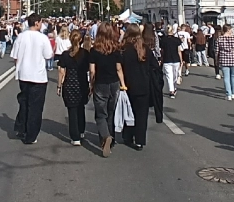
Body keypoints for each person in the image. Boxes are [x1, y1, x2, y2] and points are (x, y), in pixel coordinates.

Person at [12, 14, 53, 145]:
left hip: (23, 75)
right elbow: (48, 55)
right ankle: (31, 135)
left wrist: (18, 68)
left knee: (24, 102)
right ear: (37, 23)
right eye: (41, 22)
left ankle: (21, 128)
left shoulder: (21, 37)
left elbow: (15, 56)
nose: (41, 24)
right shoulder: (42, 38)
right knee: (35, 107)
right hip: (38, 76)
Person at [120, 24, 160, 150]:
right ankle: (139, 140)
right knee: (142, 114)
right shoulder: (144, 49)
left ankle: (128, 135)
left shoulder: (123, 49)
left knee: (128, 112)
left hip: (127, 85)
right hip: (144, 85)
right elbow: (155, 66)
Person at [89, 23, 126, 158]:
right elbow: (119, 69)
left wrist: (91, 84)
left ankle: (104, 137)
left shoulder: (94, 50)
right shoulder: (116, 49)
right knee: (111, 112)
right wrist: (123, 84)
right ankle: (112, 139)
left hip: (100, 83)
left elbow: (92, 71)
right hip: (114, 83)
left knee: (100, 114)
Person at [56, 30, 89, 146]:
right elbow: (90, 69)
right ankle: (81, 130)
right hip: (82, 83)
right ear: (81, 40)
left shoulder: (65, 55)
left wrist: (59, 86)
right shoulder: (85, 54)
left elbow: (61, 71)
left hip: (69, 83)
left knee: (72, 110)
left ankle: (75, 137)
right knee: (81, 108)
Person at [215, 25, 234, 101]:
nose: (232, 31)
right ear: (228, 30)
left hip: (224, 60)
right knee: (233, 76)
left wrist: (217, 60)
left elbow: (217, 51)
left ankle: (229, 94)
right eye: (231, 29)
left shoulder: (219, 39)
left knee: (226, 78)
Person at [159, 26, 183, 99]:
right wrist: (181, 59)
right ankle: (172, 89)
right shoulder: (177, 40)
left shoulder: (163, 40)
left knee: (169, 76)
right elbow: (179, 51)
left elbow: (161, 50)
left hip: (166, 59)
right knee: (175, 75)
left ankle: (172, 90)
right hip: (176, 59)